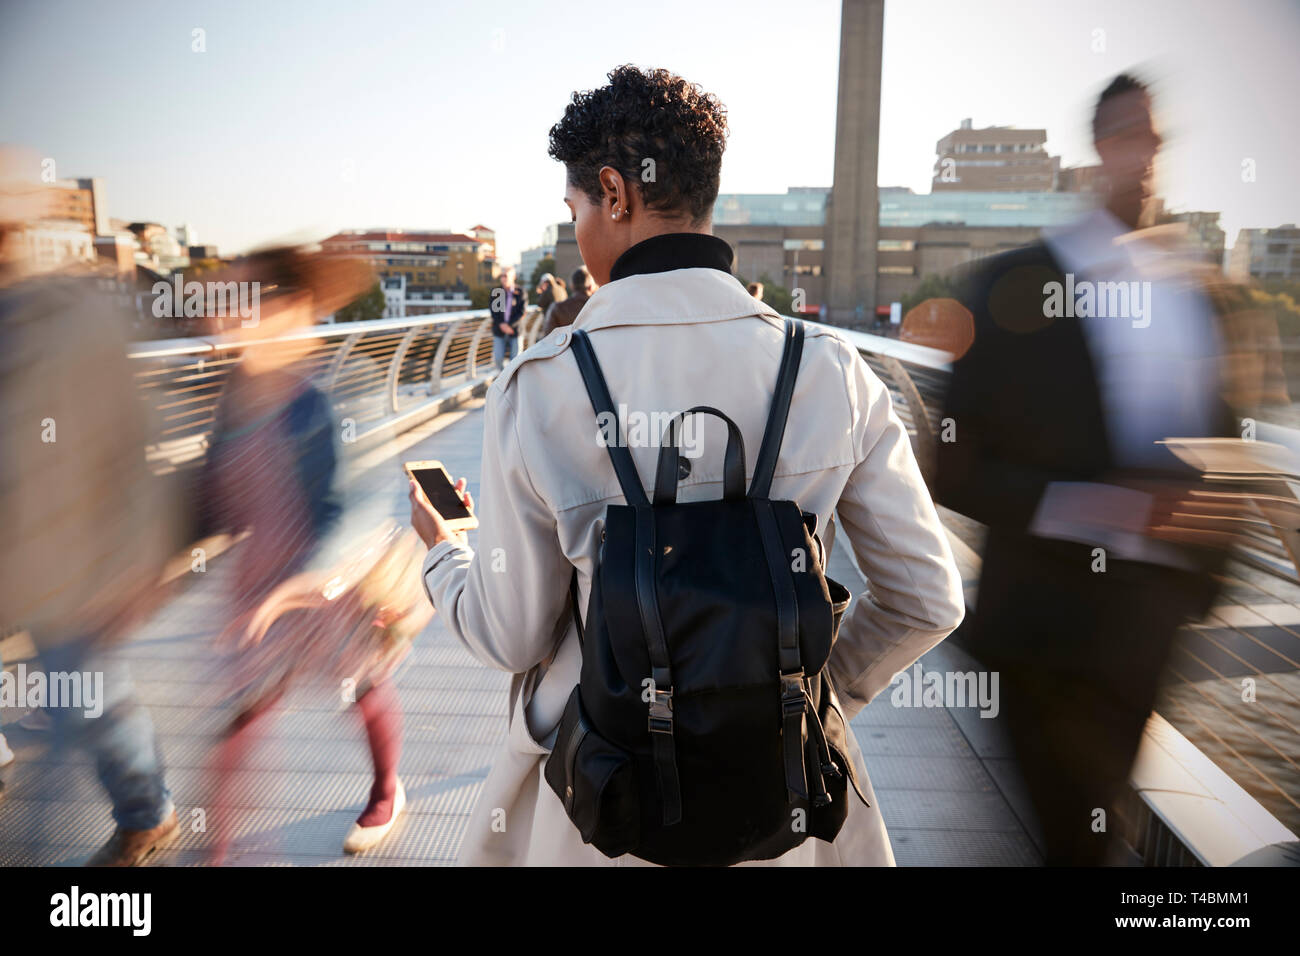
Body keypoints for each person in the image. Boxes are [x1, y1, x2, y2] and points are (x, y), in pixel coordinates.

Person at [409, 65, 964, 866]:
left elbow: (513, 630)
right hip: (783, 804)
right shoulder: (830, 369)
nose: (579, 237)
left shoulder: (545, 383)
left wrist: (442, 555)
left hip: (601, 802)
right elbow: (926, 599)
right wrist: (783, 691)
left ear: (616, 193)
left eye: (574, 214)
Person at [934, 73, 1241, 865]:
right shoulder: (1012, 286)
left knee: (1092, 835)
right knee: (1082, 838)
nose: (1148, 156)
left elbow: (1228, 454)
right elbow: (955, 468)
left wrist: (1191, 589)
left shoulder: (1199, 296)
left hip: (1148, 633)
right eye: (1132, 135)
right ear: (1101, 145)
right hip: (1044, 631)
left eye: (1158, 138)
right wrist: (1108, 507)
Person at [198, 249, 429, 861]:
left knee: (362, 686)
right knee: (244, 707)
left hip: (332, 580)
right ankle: (217, 849)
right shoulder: (234, 393)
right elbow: (214, 492)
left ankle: (386, 787)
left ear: (288, 310)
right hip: (261, 582)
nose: (225, 316)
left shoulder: (317, 400)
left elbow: (339, 508)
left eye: (243, 302)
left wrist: (295, 586)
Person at [0, 147, 184, 864]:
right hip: (27, 565)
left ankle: (148, 812)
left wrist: (137, 564)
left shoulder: (74, 316)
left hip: (74, 572)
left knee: (90, 706)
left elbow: (137, 444)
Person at [490, 266, 527, 369]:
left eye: (505, 276)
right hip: (499, 330)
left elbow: (522, 312)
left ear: (513, 277)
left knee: (516, 360)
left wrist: (509, 325)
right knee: (498, 359)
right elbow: (494, 312)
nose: (503, 278)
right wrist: (502, 325)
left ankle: (513, 382)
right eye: (501, 276)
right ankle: (503, 381)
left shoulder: (520, 292)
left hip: (515, 330)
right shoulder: (497, 292)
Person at [542, 264, 595, 335]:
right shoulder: (601, 306)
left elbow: (548, 338)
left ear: (572, 286)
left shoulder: (557, 308)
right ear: (591, 287)